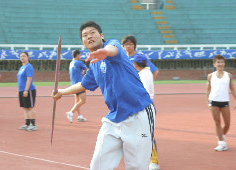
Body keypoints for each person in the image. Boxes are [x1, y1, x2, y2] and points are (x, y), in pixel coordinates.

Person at [52, 21, 155, 169]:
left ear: (101, 35)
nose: (89, 36)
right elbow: (83, 84)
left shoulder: (113, 45)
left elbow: (112, 49)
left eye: (92, 32)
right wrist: (62, 91)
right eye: (85, 35)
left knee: (137, 167)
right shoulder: (94, 63)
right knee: (98, 166)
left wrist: (105, 52)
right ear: (82, 41)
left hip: (138, 113)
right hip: (114, 118)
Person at [206, 55, 236, 151]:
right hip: (214, 101)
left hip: (225, 101)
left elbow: (232, 88)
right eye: (218, 62)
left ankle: (221, 136)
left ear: (224, 63)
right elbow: (208, 90)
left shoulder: (228, 75)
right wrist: (208, 102)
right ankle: (221, 143)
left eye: (222, 62)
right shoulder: (210, 76)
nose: (220, 64)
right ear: (214, 64)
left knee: (227, 123)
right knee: (217, 123)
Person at [133, 54, 160, 170]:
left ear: (136, 64)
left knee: (147, 134)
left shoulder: (143, 74)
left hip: (144, 106)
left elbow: (142, 92)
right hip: (144, 105)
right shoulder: (146, 72)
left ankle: (154, 161)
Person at [17, 52, 37, 131]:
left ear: (28, 57)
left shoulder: (28, 67)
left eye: (24, 56)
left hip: (29, 90)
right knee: (25, 108)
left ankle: (33, 124)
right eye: (21, 56)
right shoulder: (22, 67)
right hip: (21, 90)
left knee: (30, 107)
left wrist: (26, 90)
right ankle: (27, 123)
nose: (22, 57)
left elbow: (29, 78)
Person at [66, 49, 88, 123]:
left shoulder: (71, 63)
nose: (80, 56)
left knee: (77, 101)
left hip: (73, 84)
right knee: (83, 100)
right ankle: (71, 112)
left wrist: (82, 73)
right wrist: (84, 73)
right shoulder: (79, 62)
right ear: (78, 55)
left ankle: (79, 116)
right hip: (79, 85)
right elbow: (87, 69)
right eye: (80, 55)